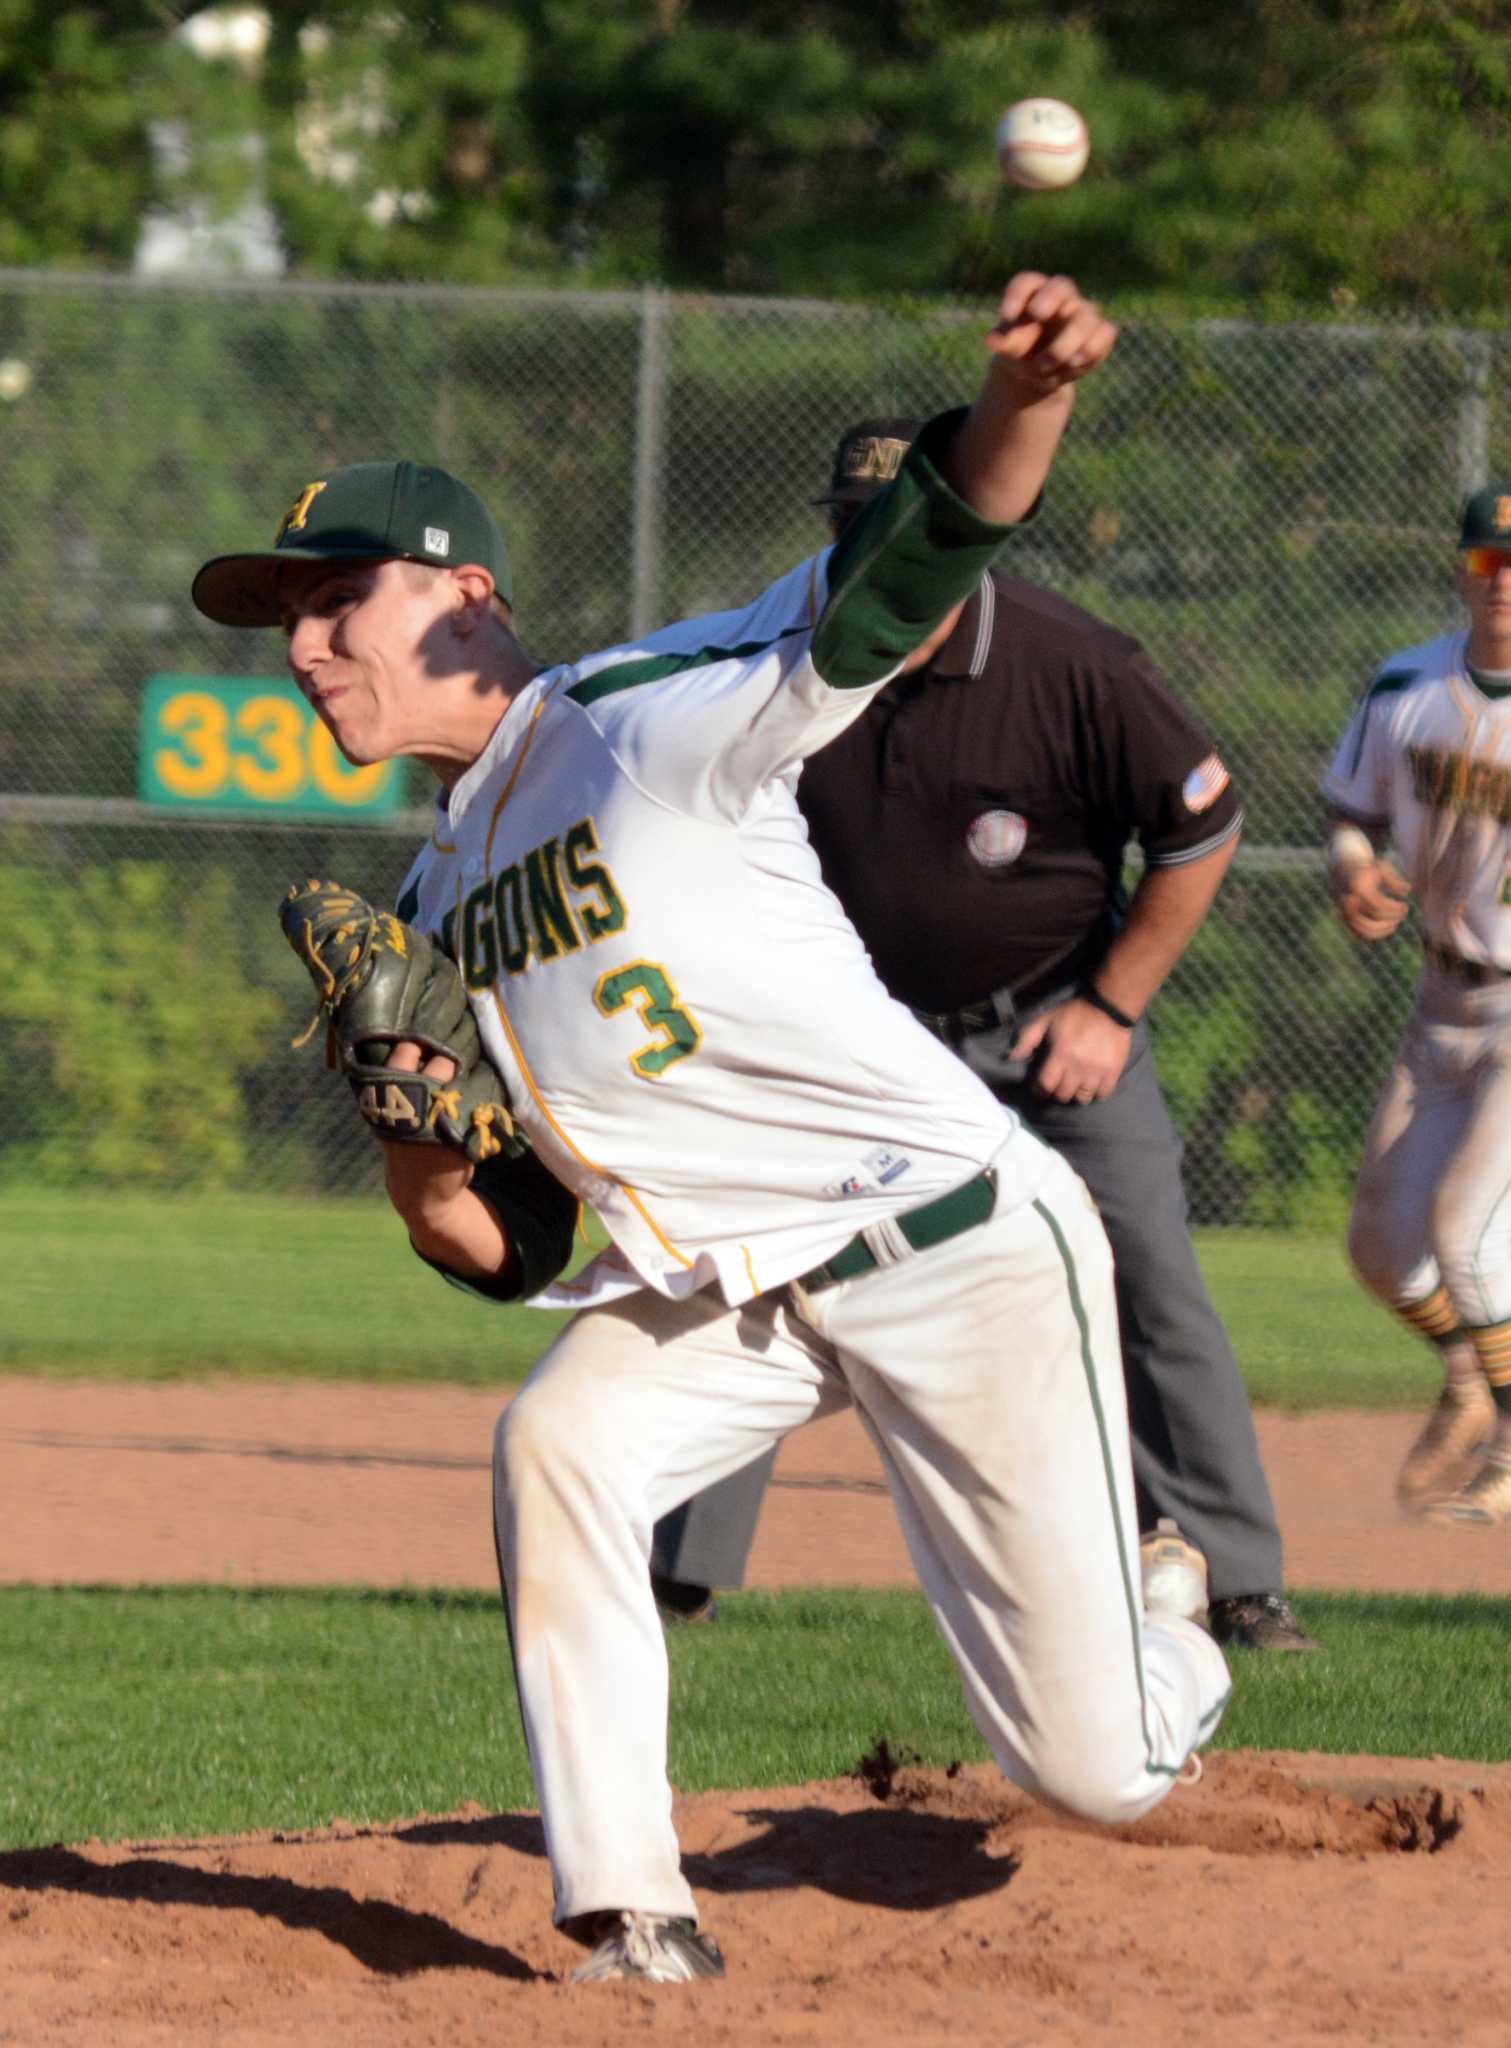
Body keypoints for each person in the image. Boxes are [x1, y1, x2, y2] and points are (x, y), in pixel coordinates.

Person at [191, 272, 1230, 1987]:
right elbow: (501, 1242)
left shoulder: (648, 722)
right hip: (737, 1281)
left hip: (946, 1235)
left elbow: (903, 573)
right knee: (563, 1444)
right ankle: (631, 1914)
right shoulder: (431, 895)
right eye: (281, 621)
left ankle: (1163, 1623)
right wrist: (415, 1137)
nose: (302, 647)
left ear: (465, 594)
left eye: (333, 601)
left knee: (1090, 1767)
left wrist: (1024, 397)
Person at [649, 415, 1315, 1653]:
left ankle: (1235, 1578)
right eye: (853, 529)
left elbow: (1200, 828)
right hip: (860, 1046)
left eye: (901, 528)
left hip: (1047, 1030)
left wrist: (1110, 1008)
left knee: (1145, 1279)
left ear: (957, 536)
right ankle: (674, 1565)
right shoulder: (789, 665)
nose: (873, 554)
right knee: (757, 1248)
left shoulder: (1069, 663)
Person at [1322, 480, 1511, 1525]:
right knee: (1381, 1247)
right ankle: (1467, 1374)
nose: (1504, 581)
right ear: (1461, 568)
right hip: (1437, 994)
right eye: (1489, 559)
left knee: (1467, 1232)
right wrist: (1351, 870)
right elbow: (1349, 813)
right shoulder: (1404, 688)